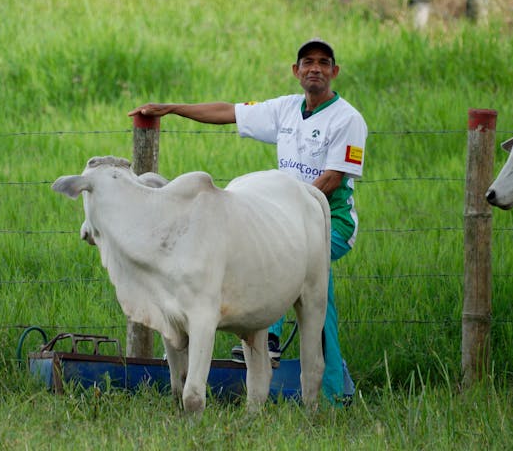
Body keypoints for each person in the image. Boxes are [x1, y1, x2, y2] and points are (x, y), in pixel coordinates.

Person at [127, 38, 368, 405]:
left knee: (305, 283)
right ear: (296, 71)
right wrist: (172, 109)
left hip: (326, 218)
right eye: (307, 62)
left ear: (335, 71)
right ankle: (330, 387)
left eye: (323, 62)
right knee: (305, 289)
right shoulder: (285, 109)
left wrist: (291, 217)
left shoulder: (348, 119)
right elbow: (228, 111)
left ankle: (308, 373)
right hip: (289, 217)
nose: (314, 68)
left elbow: (332, 180)